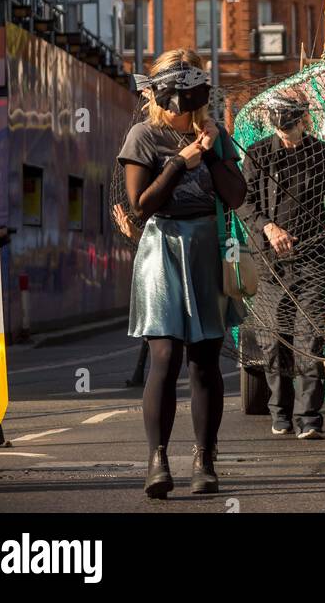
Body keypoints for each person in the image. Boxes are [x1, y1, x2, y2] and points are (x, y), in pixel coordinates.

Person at [118, 48, 246, 499]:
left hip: (206, 247)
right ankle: (157, 461)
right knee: (165, 357)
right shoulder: (144, 135)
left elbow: (236, 195)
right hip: (161, 249)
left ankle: (204, 460)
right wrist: (178, 162)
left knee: (205, 360)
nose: (183, 104)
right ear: (158, 92)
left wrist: (211, 153)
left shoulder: (215, 134)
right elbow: (141, 205)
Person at [237, 88, 325, 440]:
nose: (284, 123)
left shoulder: (320, 152)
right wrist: (269, 228)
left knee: (309, 338)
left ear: (303, 116)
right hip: (271, 263)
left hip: (315, 258)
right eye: (278, 115)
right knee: (273, 338)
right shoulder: (257, 154)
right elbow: (243, 203)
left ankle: (308, 417)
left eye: (290, 115)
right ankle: (280, 410)